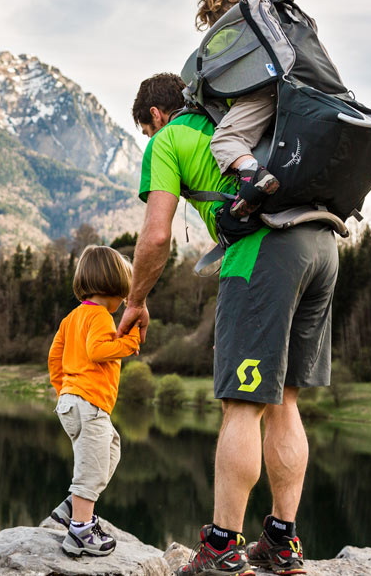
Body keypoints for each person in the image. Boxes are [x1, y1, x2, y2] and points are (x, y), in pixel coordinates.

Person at [118, 73, 336, 576]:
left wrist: (136, 300)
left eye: (146, 131)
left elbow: (154, 240)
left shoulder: (169, 140)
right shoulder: (249, 120)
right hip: (323, 244)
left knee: (242, 403)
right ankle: (283, 543)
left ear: (155, 116)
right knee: (284, 399)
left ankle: (221, 547)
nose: (150, 140)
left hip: (265, 252)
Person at [47, 245, 141, 558]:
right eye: (125, 295)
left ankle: (71, 507)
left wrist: (64, 391)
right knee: (91, 469)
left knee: (110, 450)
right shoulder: (100, 316)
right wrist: (130, 342)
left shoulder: (72, 317)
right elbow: (98, 351)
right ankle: (80, 532)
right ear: (114, 287)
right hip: (88, 403)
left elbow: (54, 358)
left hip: (73, 402)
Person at [197, 0, 280, 218]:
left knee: (224, 139)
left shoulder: (226, 32)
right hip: (284, 86)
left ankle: (254, 175)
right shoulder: (263, 21)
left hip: (260, 92)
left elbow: (211, 71)